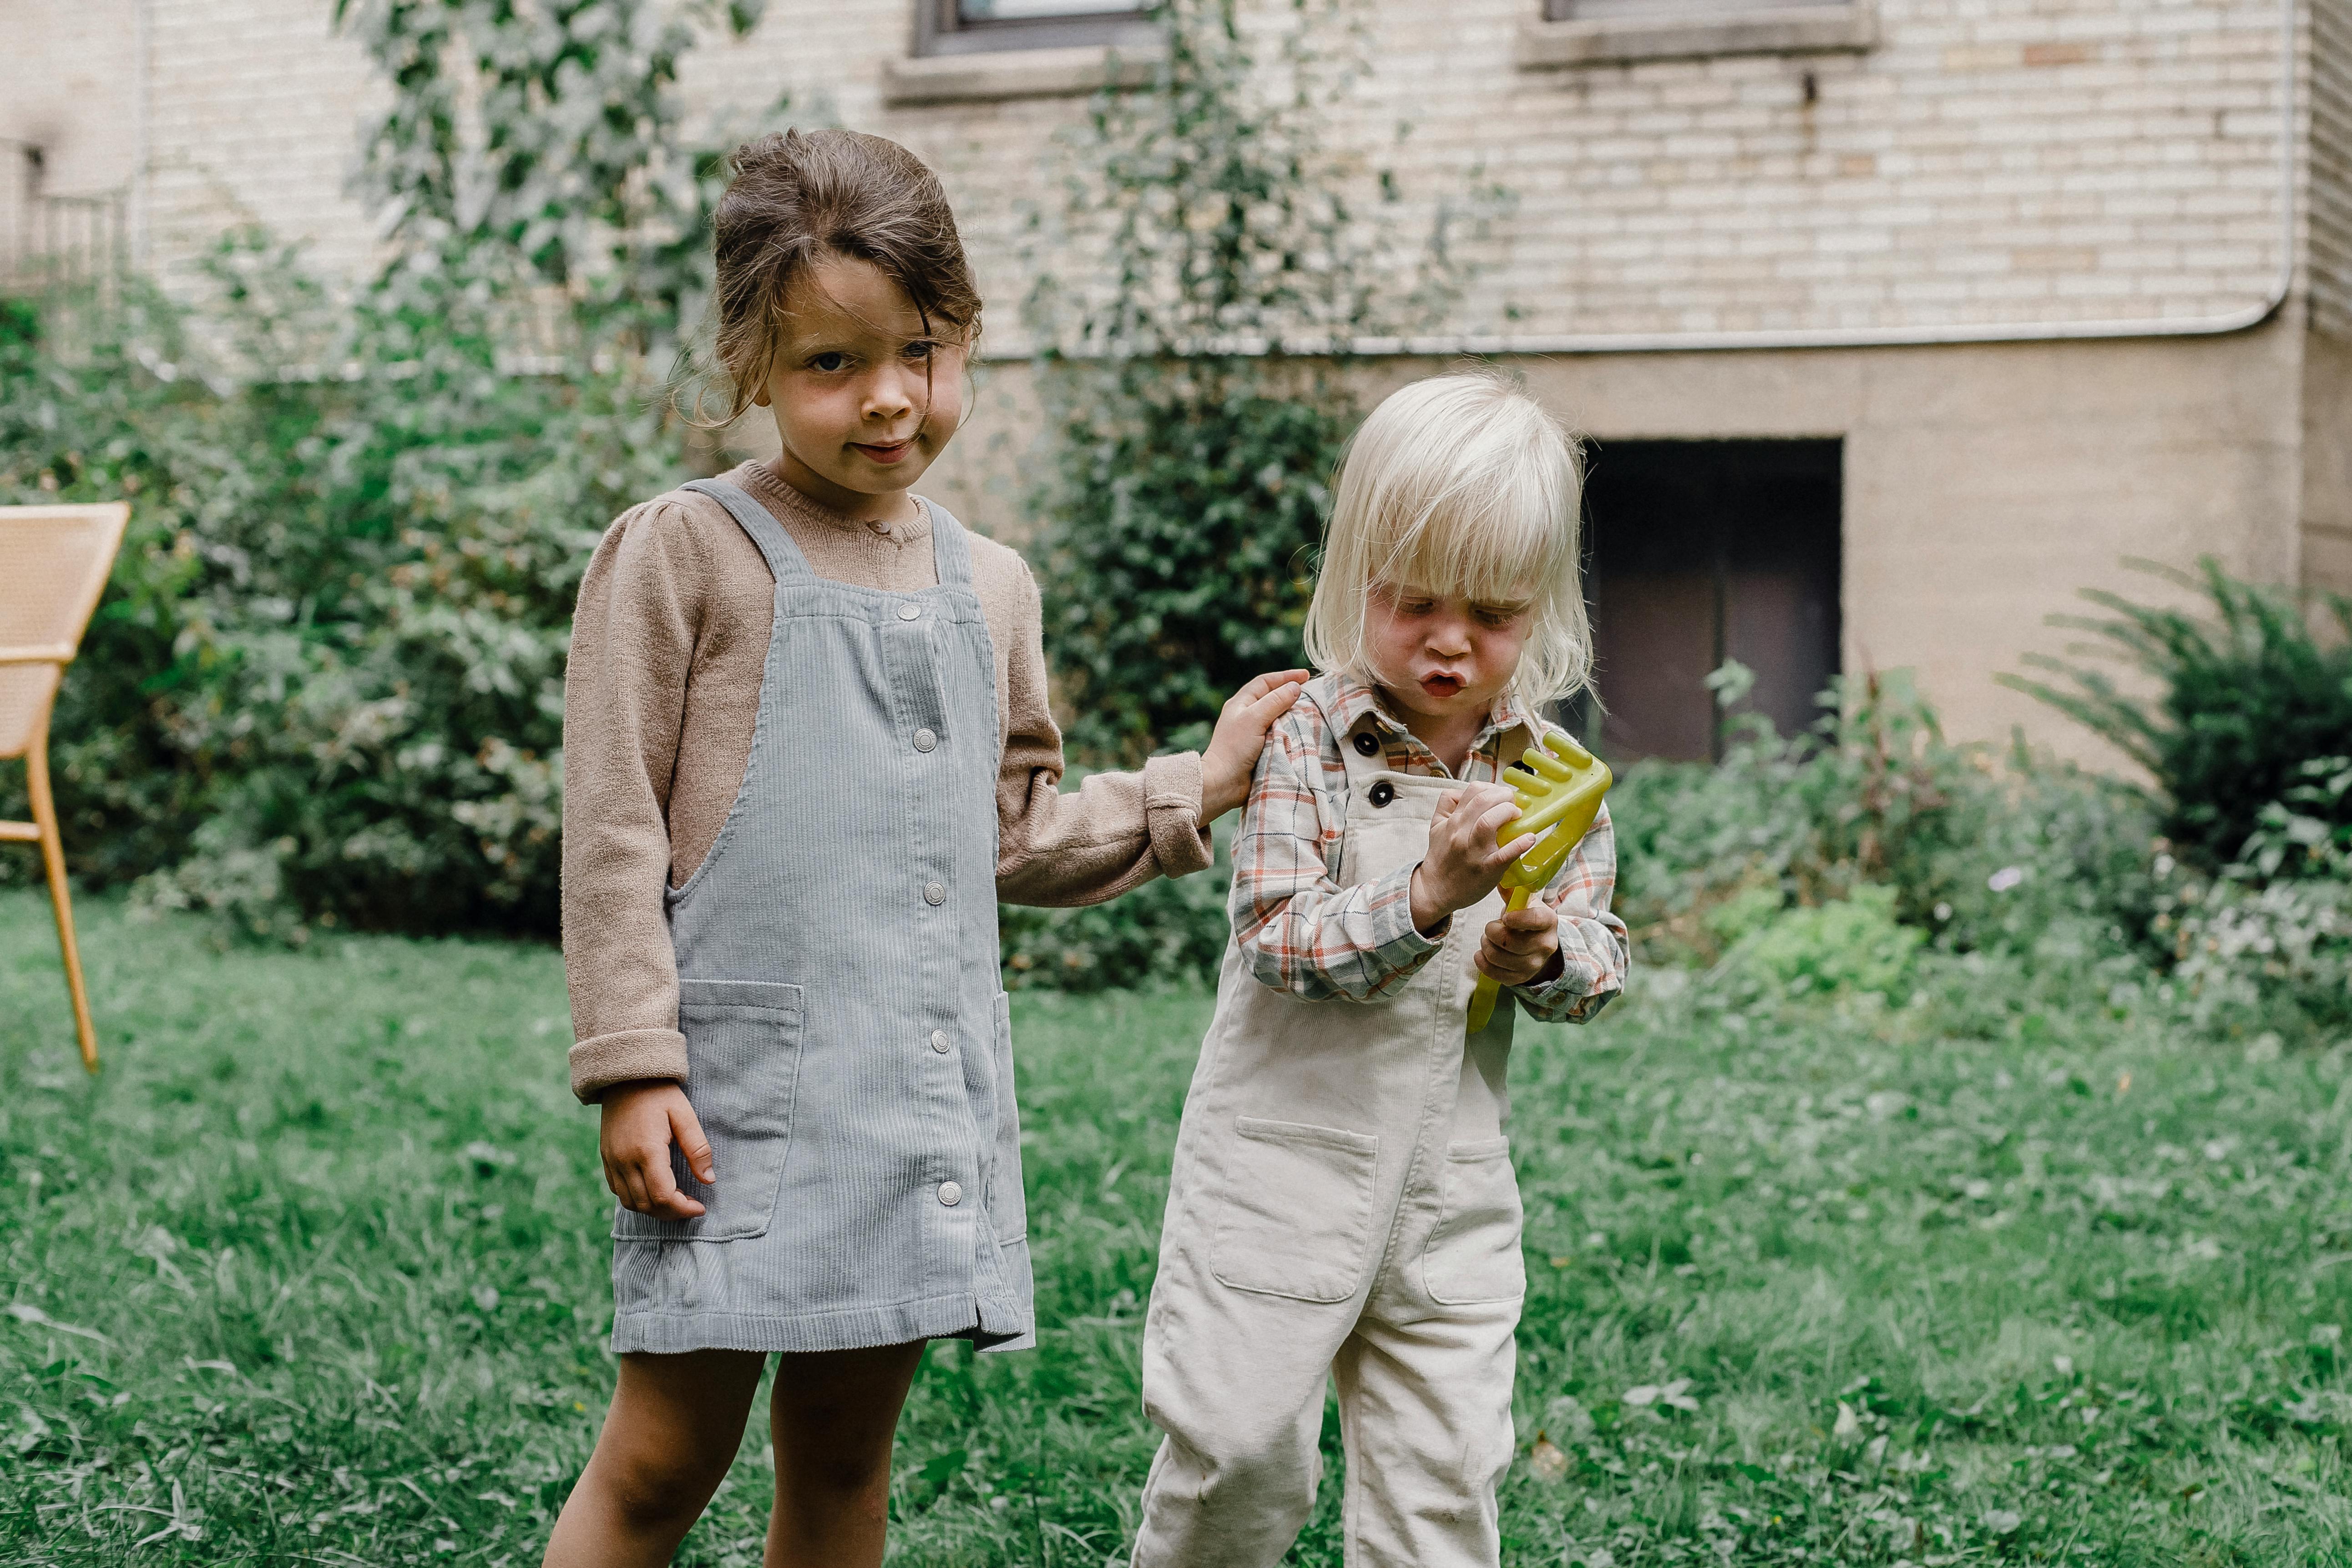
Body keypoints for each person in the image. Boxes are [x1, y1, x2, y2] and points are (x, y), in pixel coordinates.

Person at [545, 126, 1304, 1568]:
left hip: (910, 1110)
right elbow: (609, 831)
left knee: (843, 1465)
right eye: (831, 364)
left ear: (963, 337)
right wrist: (633, 1063)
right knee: (659, 1461)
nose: (886, 398)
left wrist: (1191, 789)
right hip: (735, 1108)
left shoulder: (991, 588)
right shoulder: (682, 552)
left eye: (920, 350)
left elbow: (1011, 833)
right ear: (752, 366)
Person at [1131, 372, 1631, 1568]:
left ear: (1542, 606)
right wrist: (1426, 901)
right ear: (1357, 575)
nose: (1452, 640)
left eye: (1494, 611)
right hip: (1280, 1168)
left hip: (1447, 1186)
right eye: (1414, 602)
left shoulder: (1548, 774)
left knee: (1442, 1489)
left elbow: (1600, 954)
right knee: (1237, 1460)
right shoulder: (1305, 737)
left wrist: (1543, 948)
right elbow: (1276, 933)